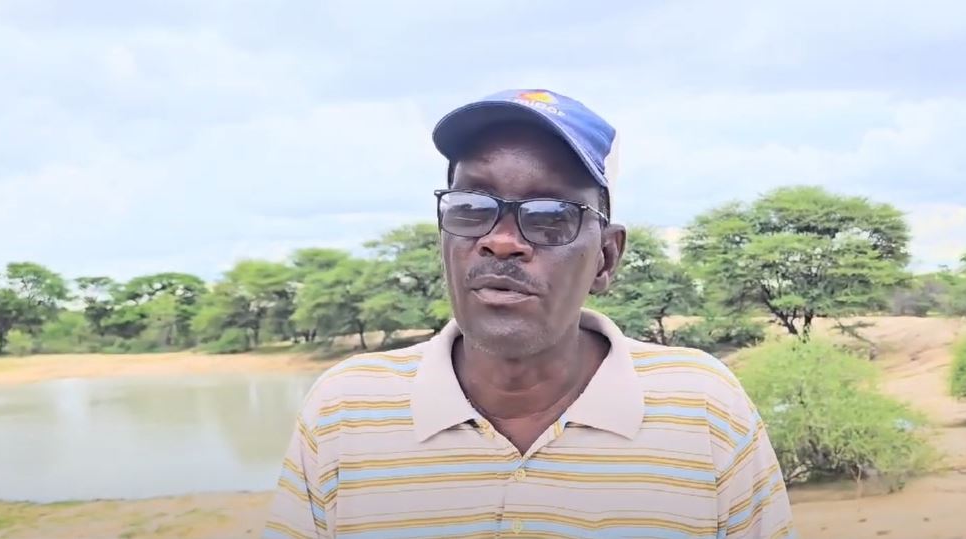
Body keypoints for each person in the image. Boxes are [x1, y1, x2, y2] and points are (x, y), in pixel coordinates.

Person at [263, 89, 795, 539]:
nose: (501, 241)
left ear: (605, 258)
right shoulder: (346, 411)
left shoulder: (704, 410)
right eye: (472, 207)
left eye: (550, 216)